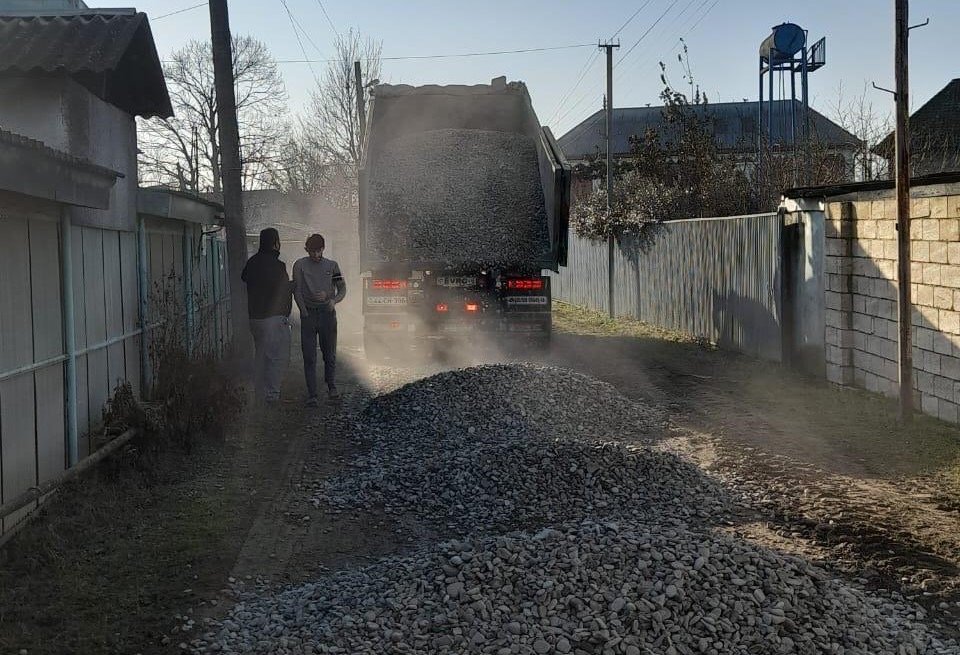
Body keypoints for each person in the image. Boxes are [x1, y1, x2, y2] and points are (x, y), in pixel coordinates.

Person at [293, 233, 346, 406]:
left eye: (318, 251)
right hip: (309, 313)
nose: (315, 255)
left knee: (329, 353)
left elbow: (342, 288)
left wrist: (332, 300)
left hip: (327, 313)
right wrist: (302, 310)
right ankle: (312, 394)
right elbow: (297, 289)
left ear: (323, 249)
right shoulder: (300, 265)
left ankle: (331, 387)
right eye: (312, 252)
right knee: (309, 356)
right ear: (307, 250)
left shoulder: (332, 265)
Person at [241, 228, 292, 404]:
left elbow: (244, 278)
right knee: (276, 358)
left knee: (261, 356)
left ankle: (259, 393)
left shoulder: (252, 262)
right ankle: (271, 396)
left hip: (254, 319)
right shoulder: (278, 266)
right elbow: (284, 289)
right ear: (275, 243)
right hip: (273, 319)